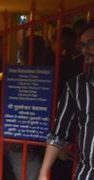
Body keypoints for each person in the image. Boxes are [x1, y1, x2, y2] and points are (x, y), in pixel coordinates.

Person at [38, 22, 94, 180]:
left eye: (90, 43)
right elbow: (58, 132)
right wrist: (43, 173)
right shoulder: (76, 86)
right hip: (87, 173)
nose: (85, 49)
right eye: (82, 45)